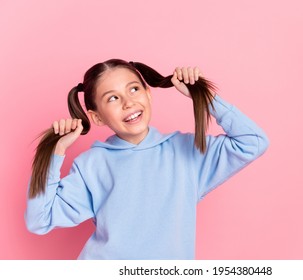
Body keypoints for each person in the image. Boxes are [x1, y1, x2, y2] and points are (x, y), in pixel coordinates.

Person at [25, 59, 269, 259]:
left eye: (134, 89)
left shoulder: (189, 151)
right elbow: (39, 220)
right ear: (97, 117)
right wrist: (54, 152)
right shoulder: (92, 164)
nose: (129, 102)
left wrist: (201, 95)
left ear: (149, 94)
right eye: (112, 98)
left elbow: (253, 141)